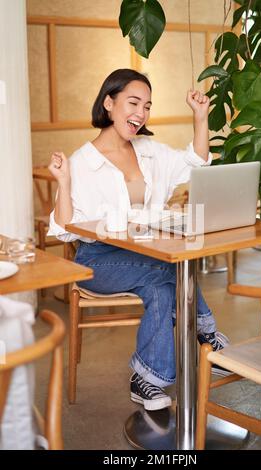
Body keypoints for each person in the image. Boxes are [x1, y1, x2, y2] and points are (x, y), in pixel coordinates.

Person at [48, 68, 229, 411]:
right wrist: (63, 181)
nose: (141, 113)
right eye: (133, 102)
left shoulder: (149, 150)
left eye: (147, 106)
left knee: (162, 285)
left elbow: (195, 162)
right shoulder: (82, 162)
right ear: (108, 103)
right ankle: (208, 335)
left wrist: (201, 117)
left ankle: (147, 379)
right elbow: (64, 228)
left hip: (147, 256)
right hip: (98, 260)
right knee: (171, 269)